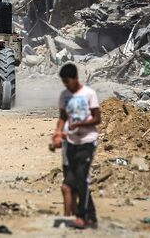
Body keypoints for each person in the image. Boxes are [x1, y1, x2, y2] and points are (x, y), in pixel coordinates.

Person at [53, 63, 100, 229]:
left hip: (87, 141)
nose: (66, 84)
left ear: (75, 78)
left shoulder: (89, 94)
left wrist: (80, 123)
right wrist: (57, 134)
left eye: (68, 81)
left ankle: (81, 216)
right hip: (71, 143)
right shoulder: (64, 96)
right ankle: (91, 216)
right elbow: (62, 118)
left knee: (81, 178)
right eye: (63, 82)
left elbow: (97, 118)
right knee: (77, 181)